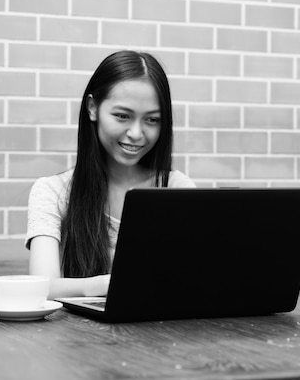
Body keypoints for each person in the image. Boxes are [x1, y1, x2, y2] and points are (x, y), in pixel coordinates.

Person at [25, 50, 195, 298]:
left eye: (152, 120)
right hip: (76, 335)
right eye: (122, 116)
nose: (136, 133)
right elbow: (41, 287)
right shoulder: (52, 191)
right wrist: (106, 286)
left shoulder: (177, 188)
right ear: (93, 108)